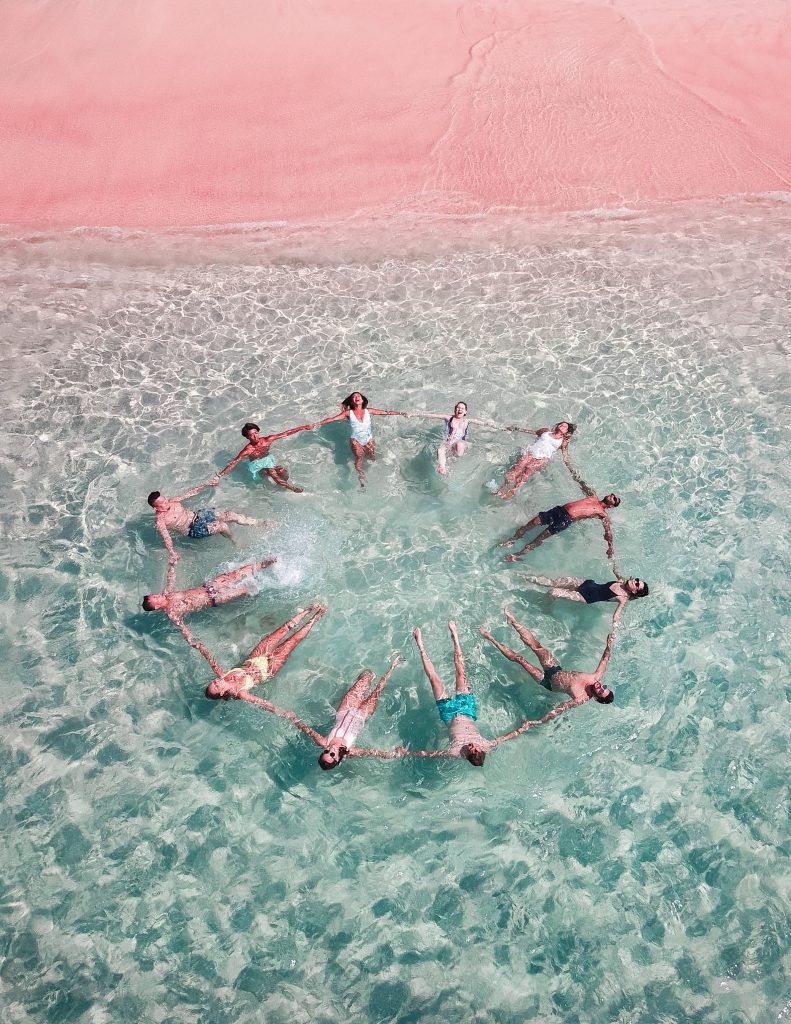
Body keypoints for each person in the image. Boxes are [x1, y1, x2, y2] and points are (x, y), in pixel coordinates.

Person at [410, 621, 579, 766]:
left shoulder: (455, 753)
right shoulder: (486, 745)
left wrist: (404, 753)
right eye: (476, 747)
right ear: (481, 750)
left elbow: (429, 754)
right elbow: (507, 737)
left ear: (468, 755)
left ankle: (420, 645)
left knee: (434, 679)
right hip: (467, 709)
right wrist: (524, 727)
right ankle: (455, 636)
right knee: (460, 672)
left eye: (471, 749)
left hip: (447, 714)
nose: (472, 745)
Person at [480, 605, 621, 704]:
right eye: (604, 687)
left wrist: (535, 722)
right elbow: (605, 658)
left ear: (596, 698)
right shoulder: (595, 676)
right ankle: (513, 622)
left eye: (601, 691)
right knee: (536, 646)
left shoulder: (581, 698)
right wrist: (609, 643)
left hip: (547, 682)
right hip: (555, 669)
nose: (600, 687)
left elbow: (561, 709)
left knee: (520, 659)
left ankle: (491, 639)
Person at [205, 603, 327, 699]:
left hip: (254, 659)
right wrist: (285, 714)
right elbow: (261, 703)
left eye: (213, 682)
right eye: (216, 686)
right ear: (221, 693)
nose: (216, 682)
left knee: (282, 630)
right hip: (268, 670)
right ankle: (316, 617)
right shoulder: (240, 693)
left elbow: (211, 661)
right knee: (292, 641)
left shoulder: (223, 676)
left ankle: (308, 610)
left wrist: (200, 647)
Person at [147, 490, 269, 561]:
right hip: (193, 529)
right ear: (155, 508)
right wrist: (172, 553)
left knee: (230, 515)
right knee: (222, 526)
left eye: (165, 499)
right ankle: (235, 541)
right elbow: (166, 537)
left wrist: (207, 484)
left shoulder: (173, 501)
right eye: (162, 503)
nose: (166, 502)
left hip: (199, 515)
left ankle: (259, 522)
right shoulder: (161, 521)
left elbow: (189, 493)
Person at [500, 493, 621, 560]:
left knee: (540, 537)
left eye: (614, 498)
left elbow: (608, 532)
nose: (612, 495)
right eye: (613, 494)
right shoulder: (593, 496)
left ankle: (517, 555)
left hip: (566, 519)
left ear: (611, 506)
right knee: (532, 523)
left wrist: (610, 547)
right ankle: (512, 540)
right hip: (559, 510)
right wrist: (567, 462)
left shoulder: (602, 514)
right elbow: (579, 480)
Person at [320, 391, 406, 486]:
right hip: (355, 440)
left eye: (358, 396)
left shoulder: (369, 411)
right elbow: (331, 419)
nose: (356, 397)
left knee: (372, 457)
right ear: (352, 401)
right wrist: (314, 425)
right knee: (359, 457)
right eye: (354, 397)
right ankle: (361, 477)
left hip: (369, 439)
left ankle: (373, 471)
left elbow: (387, 412)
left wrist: (402, 413)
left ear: (362, 399)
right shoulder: (348, 413)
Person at [215, 420, 320, 493]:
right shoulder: (248, 450)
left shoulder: (267, 440)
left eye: (256, 432)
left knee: (283, 471)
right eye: (252, 435)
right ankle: (291, 488)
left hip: (268, 461)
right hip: (257, 467)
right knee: (271, 471)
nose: (255, 436)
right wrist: (219, 476)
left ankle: (282, 485)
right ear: (247, 437)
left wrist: (304, 427)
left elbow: (286, 433)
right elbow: (234, 462)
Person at [495, 421, 575, 499]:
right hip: (531, 453)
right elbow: (532, 432)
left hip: (542, 459)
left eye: (565, 426)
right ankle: (501, 488)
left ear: (566, 432)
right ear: (557, 426)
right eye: (561, 424)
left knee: (527, 471)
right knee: (516, 469)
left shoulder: (563, 442)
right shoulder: (545, 431)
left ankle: (512, 491)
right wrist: (516, 429)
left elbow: (565, 455)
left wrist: (570, 467)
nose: (562, 425)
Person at [523, 574, 649, 608]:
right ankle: (524, 577)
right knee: (553, 582)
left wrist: (614, 630)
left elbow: (617, 615)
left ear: (635, 592)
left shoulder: (622, 598)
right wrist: (611, 554)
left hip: (585, 596)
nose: (635, 581)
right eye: (637, 580)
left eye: (637, 584)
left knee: (553, 592)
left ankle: (545, 605)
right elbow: (615, 569)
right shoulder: (622, 581)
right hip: (587, 584)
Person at [437, 401, 470, 474]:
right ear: (455, 409)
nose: (460, 409)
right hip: (449, 441)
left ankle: (453, 461)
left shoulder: (467, 421)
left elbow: (484, 423)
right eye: (458, 407)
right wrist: (412, 414)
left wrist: (498, 427)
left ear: (465, 411)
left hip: (461, 442)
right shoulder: (449, 418)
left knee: (459, 445)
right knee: (440, 450)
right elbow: (433, 415)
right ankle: (442, 467)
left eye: (462, 408)